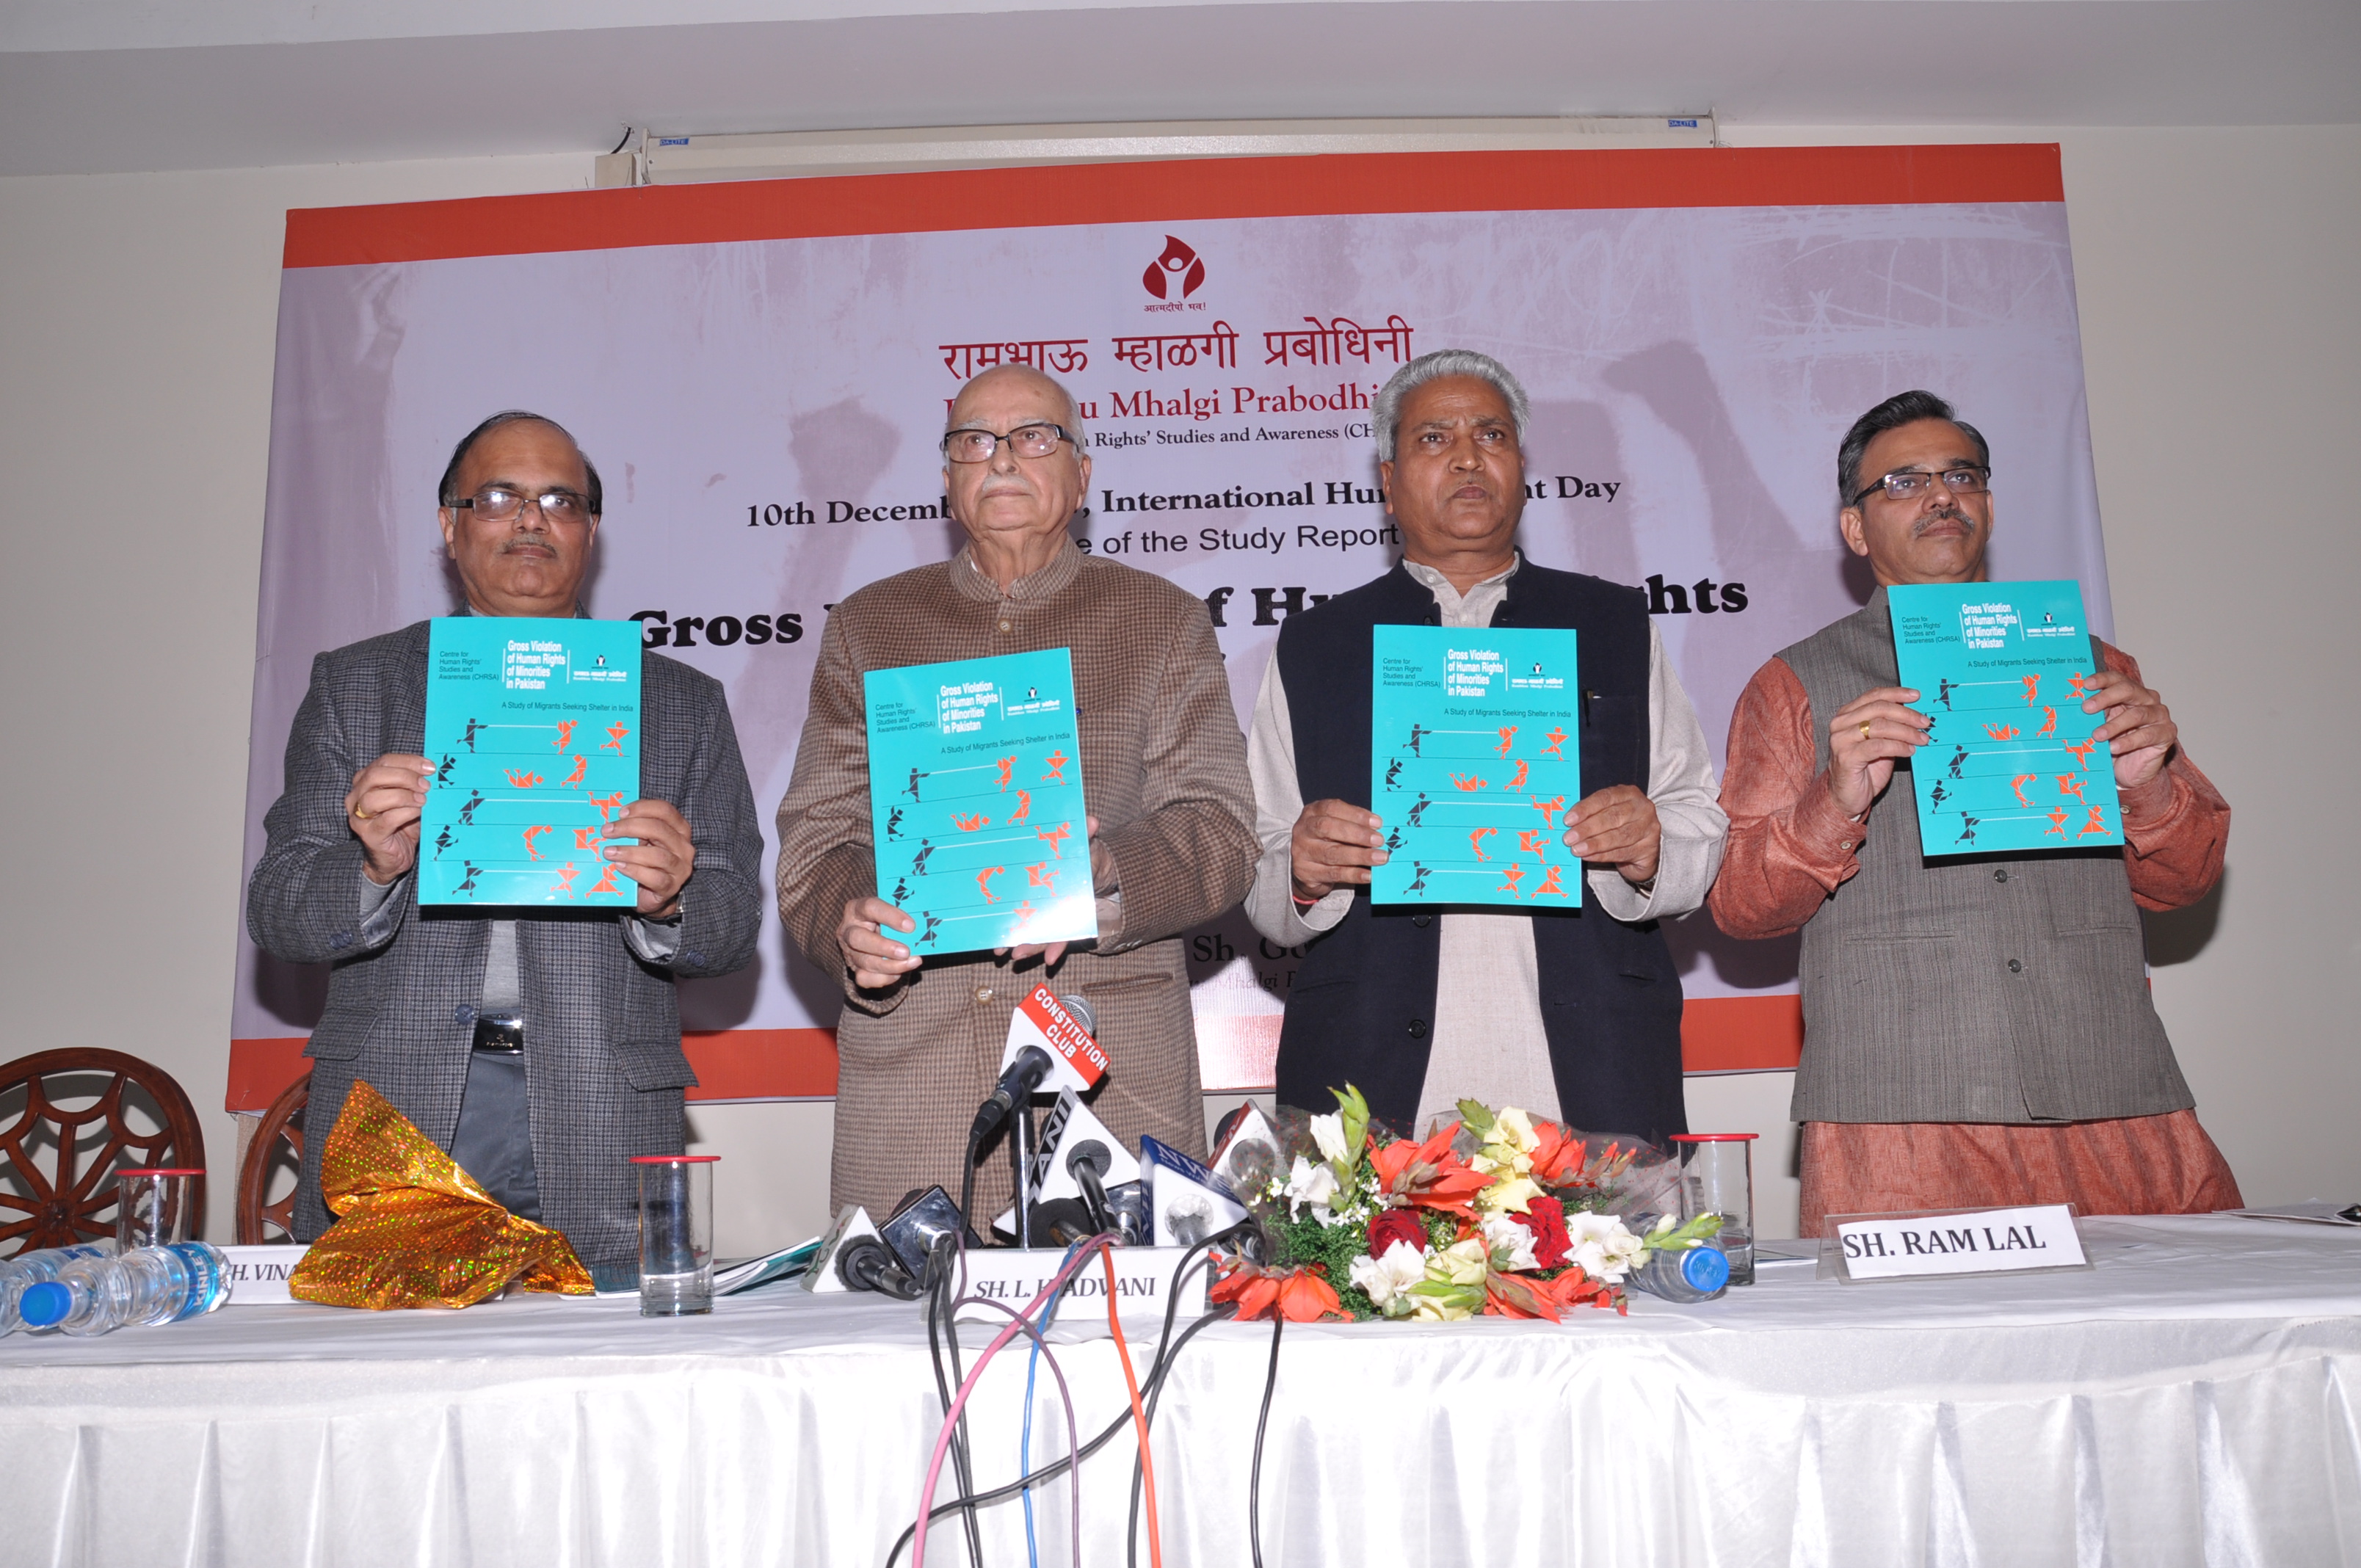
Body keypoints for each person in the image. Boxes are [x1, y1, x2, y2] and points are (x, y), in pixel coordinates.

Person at [247, 410, 764, 1278]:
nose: (532, 519)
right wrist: (372, 866)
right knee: (387, 1400)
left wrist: (674, 899)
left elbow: (733, 926)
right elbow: (279, 912)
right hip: (401, 1104)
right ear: (450, 525)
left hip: (605, 1111)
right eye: (499, 497)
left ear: (590, 533)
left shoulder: (680, 703)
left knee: (608, 1402)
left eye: (561, 500)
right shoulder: (357, 683)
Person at [1709, 390, 2239, 1234]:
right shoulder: (1796, 681)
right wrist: (1836, 798)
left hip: (2110, 1088)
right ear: (1855, 530)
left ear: (1988, 502)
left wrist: (2147, 782)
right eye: (1904, 482)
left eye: (1962, 475)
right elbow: (1738, 904)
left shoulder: (2091, 666)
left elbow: (2186, 881)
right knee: (1921, 1360)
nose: (1941, 496)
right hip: (1902, 1112)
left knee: (2175, 1350)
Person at [774, 366, 1258, 1222]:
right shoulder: (870, 625)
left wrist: (1102, 868)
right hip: (912, 1093)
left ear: (1083, 476)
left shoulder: (1160, 619)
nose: (1001, 458)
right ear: (948, 481)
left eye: (1035, 437)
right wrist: (846, 922)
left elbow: (1221, 835)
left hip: (1114, 1085)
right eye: (973, 442)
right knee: (897, 1354)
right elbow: (819, 841)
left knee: (1125, 1350)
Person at [1244, 350, 1728, 1141]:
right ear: (1388, 482)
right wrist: (1299, 869)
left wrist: (1650, 846)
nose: (1468, 457)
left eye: (1491, 435)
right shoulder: (1316, 645)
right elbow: (1259, 868)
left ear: (1523, 469)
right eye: (1435, 439)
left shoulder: (1612, 625)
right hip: (1373, 1082)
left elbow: (1696, 820)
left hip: (1589, 1074)